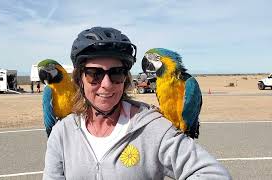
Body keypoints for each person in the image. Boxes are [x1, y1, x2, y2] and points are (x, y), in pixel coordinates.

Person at [43, 27, 231, 180]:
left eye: (116, 73)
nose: (106, 85)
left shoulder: (153, 127)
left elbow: (214, 174)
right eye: (94, 74)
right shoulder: (62, 134)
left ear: (125, 79)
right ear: (79, 79)